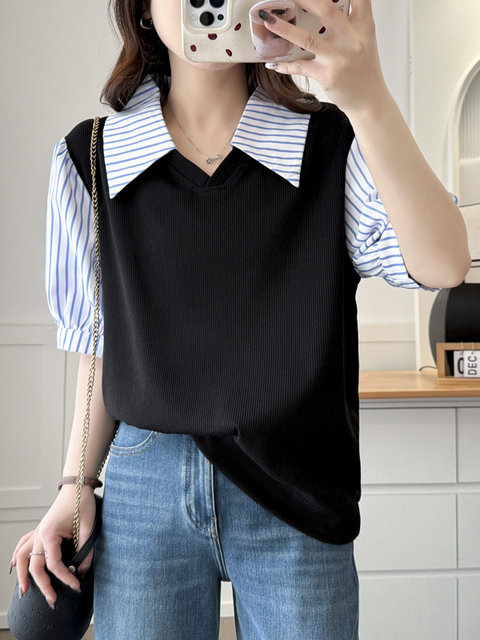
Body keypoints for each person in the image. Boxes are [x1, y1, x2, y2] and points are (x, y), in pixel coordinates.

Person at [10, 0, 470, 638]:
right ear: (141, 10)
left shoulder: (332, 144)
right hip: (145, 482)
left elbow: (444, 264)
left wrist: (367, 97)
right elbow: (101, 342)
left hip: (299, 484)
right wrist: (74, 484)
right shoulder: (90, 156)